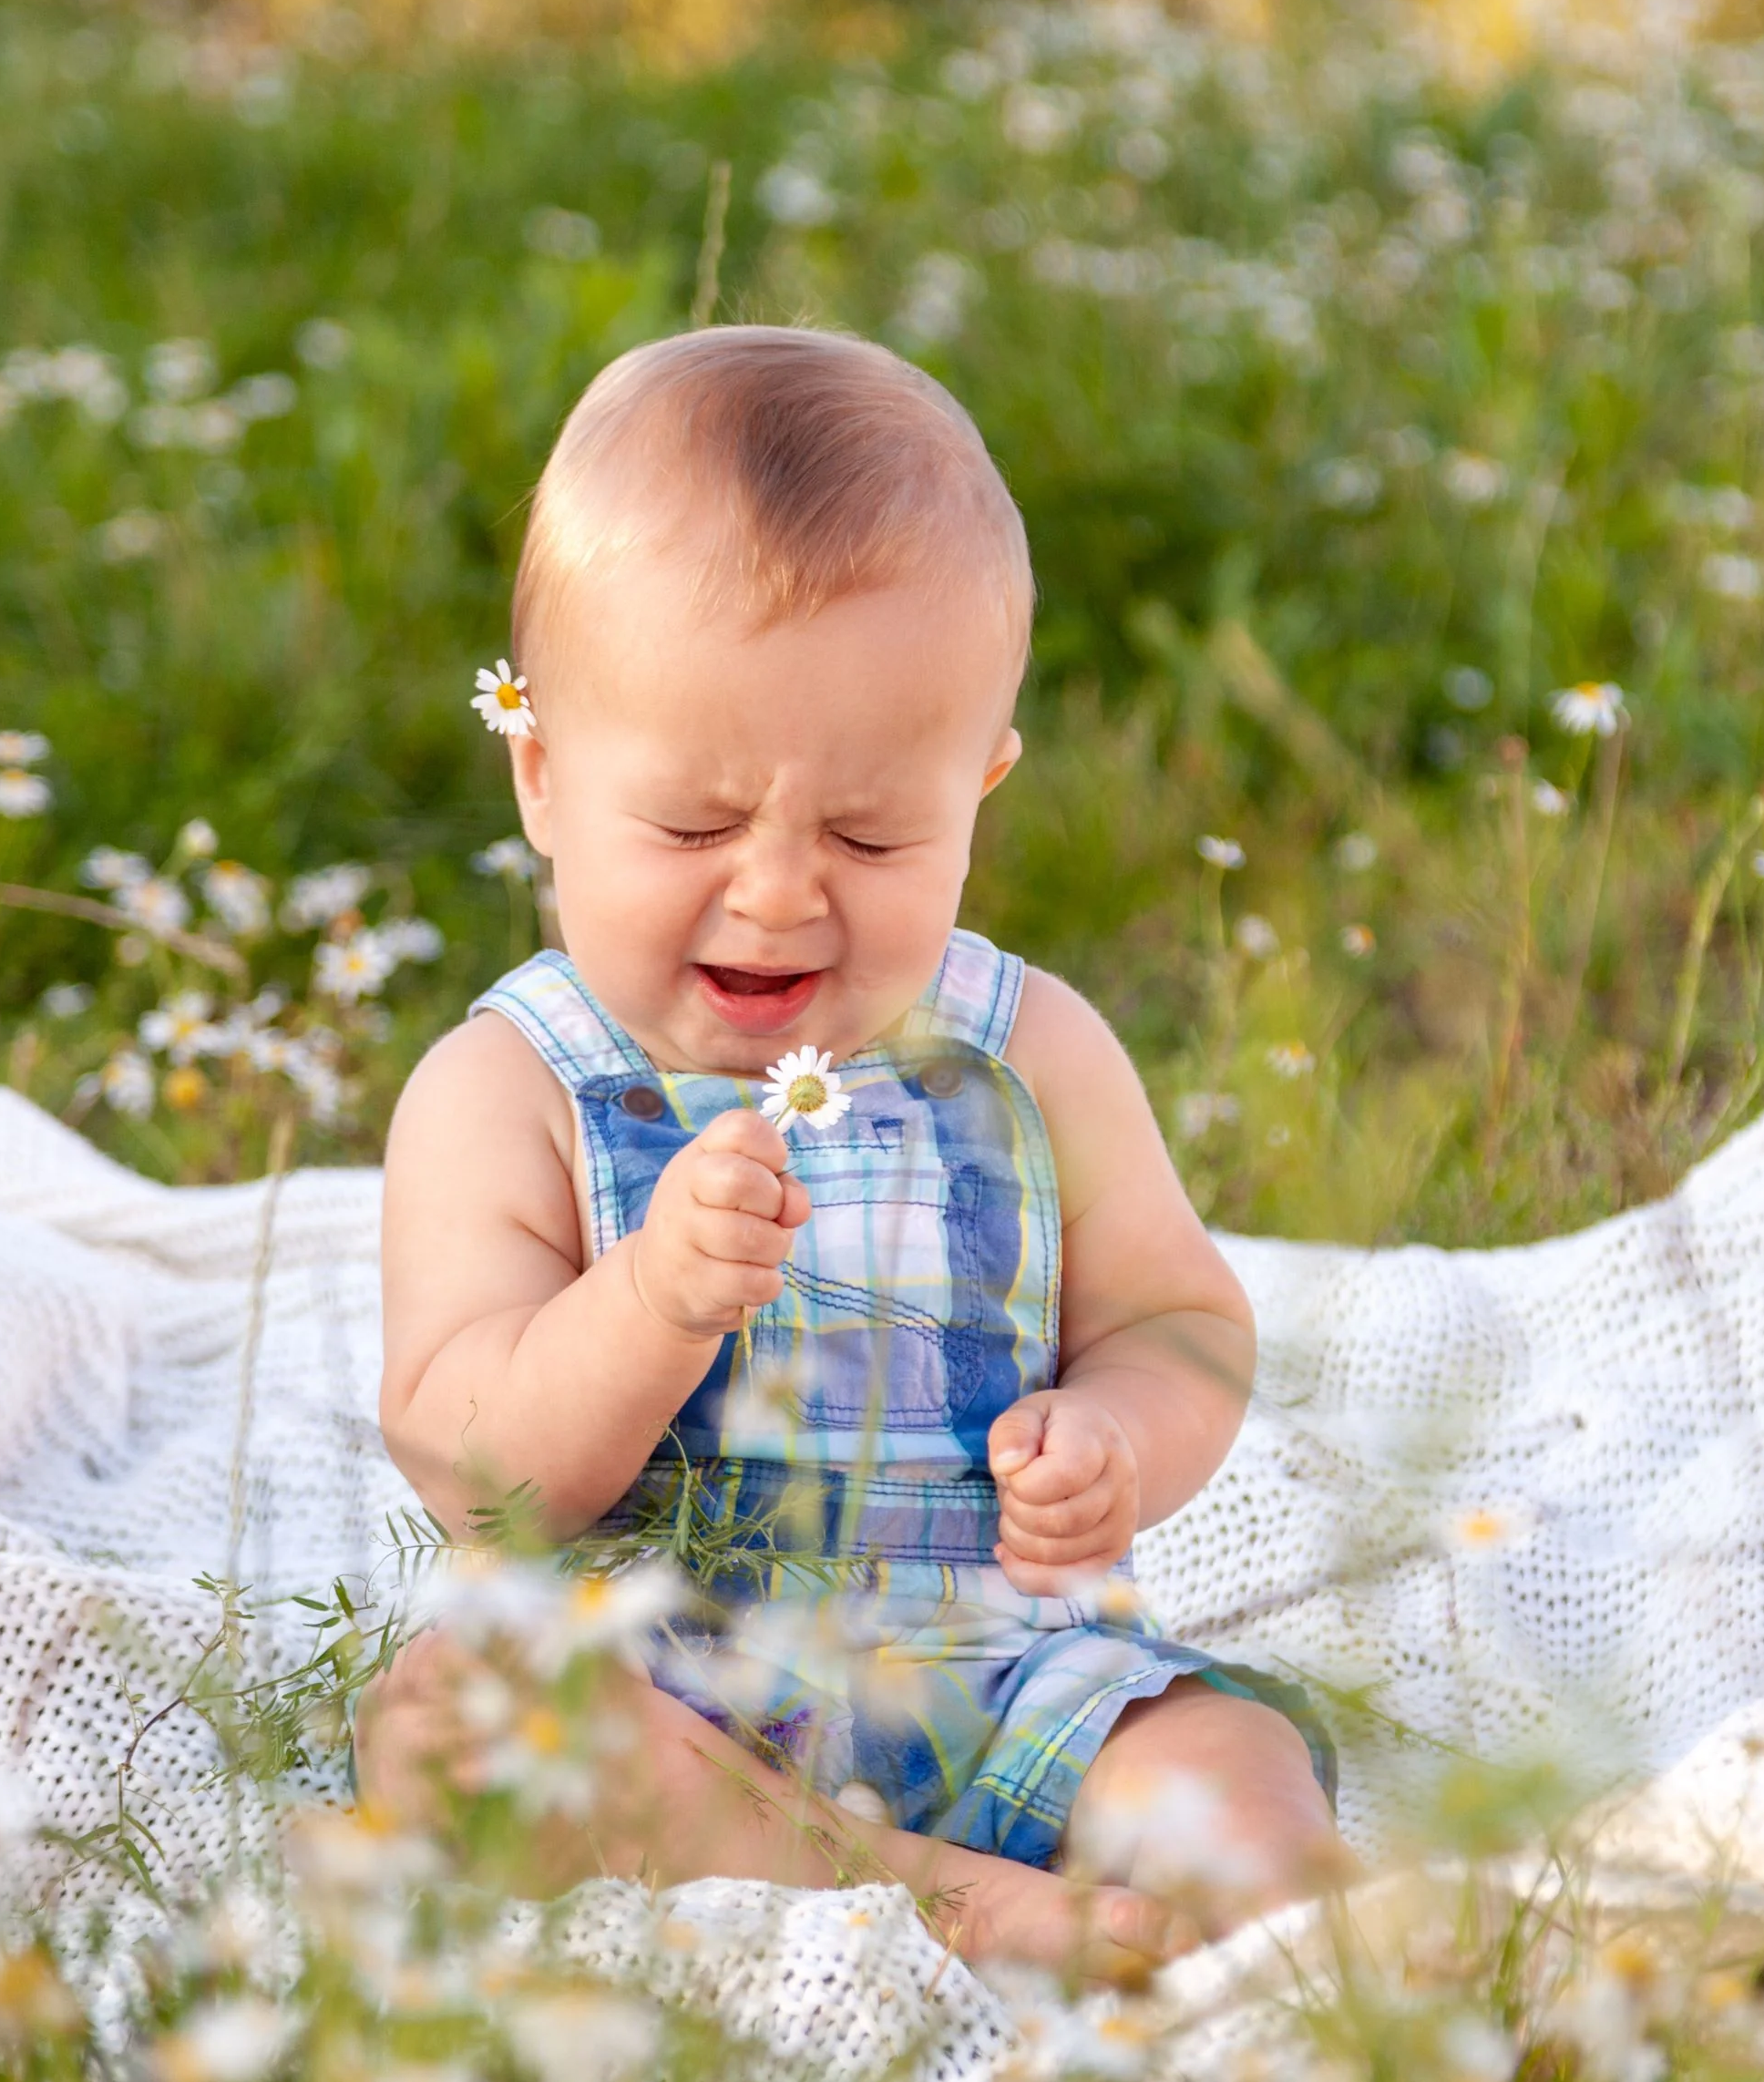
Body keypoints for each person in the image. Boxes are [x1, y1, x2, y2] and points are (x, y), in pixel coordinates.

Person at [361, 324, 1346, 1979]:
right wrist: (651, 1302)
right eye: (690, 825)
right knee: (457, 1742)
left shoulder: (1031, 1052)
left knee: (1227, 1762)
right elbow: (476, 1465)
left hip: (998, 1670)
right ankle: (955, 1901)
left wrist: (1115, 1434)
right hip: (660, 1682)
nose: (776, 890)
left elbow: (1183, 1318)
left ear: (983, 785)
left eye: (877, 834)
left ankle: (1335, 1946)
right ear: (541, 772)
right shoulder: (505, 1086)